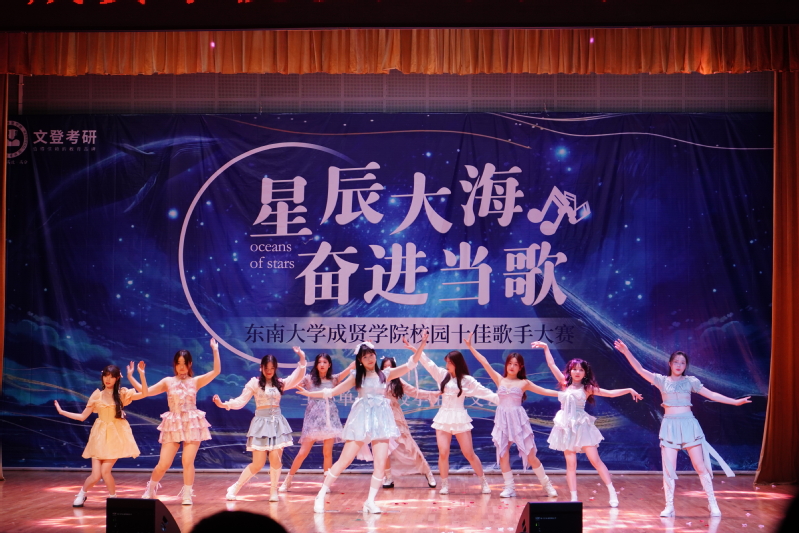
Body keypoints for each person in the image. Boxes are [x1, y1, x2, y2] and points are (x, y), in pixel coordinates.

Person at [614, 339, 751, 517]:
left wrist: (735, 402)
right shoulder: (661, 380)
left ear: (686, 366)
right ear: (670, 363)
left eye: (682, 363)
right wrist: (626, 351)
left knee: (700, 466)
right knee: (669, 468)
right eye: (676, 362)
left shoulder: (691, 381)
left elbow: (711, 394)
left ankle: (713, 503)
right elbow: (640, 369)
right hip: (669, 426)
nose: (679, 365)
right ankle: (669, 506)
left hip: (689, 425)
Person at [296, 333, 428, 514]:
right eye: (365, 357)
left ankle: (370, 502)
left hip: (381, 421)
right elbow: (332, 392)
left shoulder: (385, 374)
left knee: (380, 464)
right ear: (359, 360)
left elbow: (411, 364)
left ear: (375, 355)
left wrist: (422, 344)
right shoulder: (356, 376)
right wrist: (310, 394)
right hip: (361, 420)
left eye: (371, 355)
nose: (369, 359)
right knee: (344, 460)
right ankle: (320, 495)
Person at [533, 341, 642, 507]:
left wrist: (628, 390)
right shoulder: (564, 384)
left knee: (595, 460)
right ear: (570, 371)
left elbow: (610, 393)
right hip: (566, 427)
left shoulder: (587, 388)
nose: (577, 372)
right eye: (574, 369)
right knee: (571, 464)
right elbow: (552, 364)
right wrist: (546, 348)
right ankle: (573, 498)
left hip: (582, 426)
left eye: (581, 370)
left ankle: (612, 492)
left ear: (585, 373)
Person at [465, 333, 558, 498]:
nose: (512, 366)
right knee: (503, 454)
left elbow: (545, 391)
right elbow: (485, 362)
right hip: (502, 420)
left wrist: (565, 394)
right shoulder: (500, 380)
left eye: (516, 364)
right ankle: (509, 487)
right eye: (510, 363)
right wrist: (471, 347)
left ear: (520, 367)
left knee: (530, 455)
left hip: (518, 420)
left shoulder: (524, 383)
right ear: (506, 365)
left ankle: (547, 485)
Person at [132, 338, 221, 505]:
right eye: (178, 363)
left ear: (190, 364)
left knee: (187, 461)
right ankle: (151, 488)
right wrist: (140, 375)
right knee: (164, 463)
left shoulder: (195, 381)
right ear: (175, 364)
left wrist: (215, 350)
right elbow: (146, 392)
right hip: (173, 423)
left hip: (192, 422)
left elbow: (216, 371)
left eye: (184, 363)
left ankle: (187, 494)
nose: (181, 366)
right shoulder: (168, 381)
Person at [213, 347, 307, 502]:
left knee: (276, 459)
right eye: (266, 368)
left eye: (272, 368)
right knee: (258, 463)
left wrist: (302, 358)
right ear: (261, 368)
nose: (269, 371)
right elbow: (241, 400)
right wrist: (224, 405)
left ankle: (273, 491)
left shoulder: (280, 383)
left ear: (275, 369)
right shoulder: (254, 383)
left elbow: (297, 377)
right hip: (260, 425)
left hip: (277, 424)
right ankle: (235, 487)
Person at [54, 362, 148, 507]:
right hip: (99, 436)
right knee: (96, 475)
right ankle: (82, 494)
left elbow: (145, 393)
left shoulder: (122, 394)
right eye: (105, 376)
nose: (108, 379)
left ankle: (113, 498)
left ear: (117, 378)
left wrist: (138, 374)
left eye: (111, 376)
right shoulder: (97, 395)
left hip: (115, 435)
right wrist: (62, 412)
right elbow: (82, 416)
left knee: (105, 471)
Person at [413, 339, 499, 496]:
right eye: (446, 362)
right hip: (443, 417)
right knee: (443, 452)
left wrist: (503, 400)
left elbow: (485, 392)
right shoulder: (442, 375)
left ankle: (483, 482)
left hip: (459, 418)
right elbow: (429, 364)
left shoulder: (467, 380)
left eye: (450, 362)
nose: (447, 365)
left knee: (469, 453)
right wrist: (417, 350)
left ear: (457, 364)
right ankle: (445, 484)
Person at [279, 354, 354, 492]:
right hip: (313, 420)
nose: (322, 365)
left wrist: (363, 351)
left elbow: (350, 367)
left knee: (327, 452)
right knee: (303, 452)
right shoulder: (309, 379)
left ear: (329, 364)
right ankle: (287, 480)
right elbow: (293, 383)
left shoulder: (334, 379)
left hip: (329, 419)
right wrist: (278, 384)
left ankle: (326, 484)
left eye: (325, 362)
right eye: (319, 362)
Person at [380, 356, 440, 489]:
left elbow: (414, 392)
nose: (388, 369)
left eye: (390, 366)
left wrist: (432, 394)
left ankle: (427, 472)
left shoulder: (397, 381)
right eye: (385, 366)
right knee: (384, 448)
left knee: (409, 445)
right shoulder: (377, 380)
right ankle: (388, 477)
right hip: (381, 417)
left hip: (395, 416)